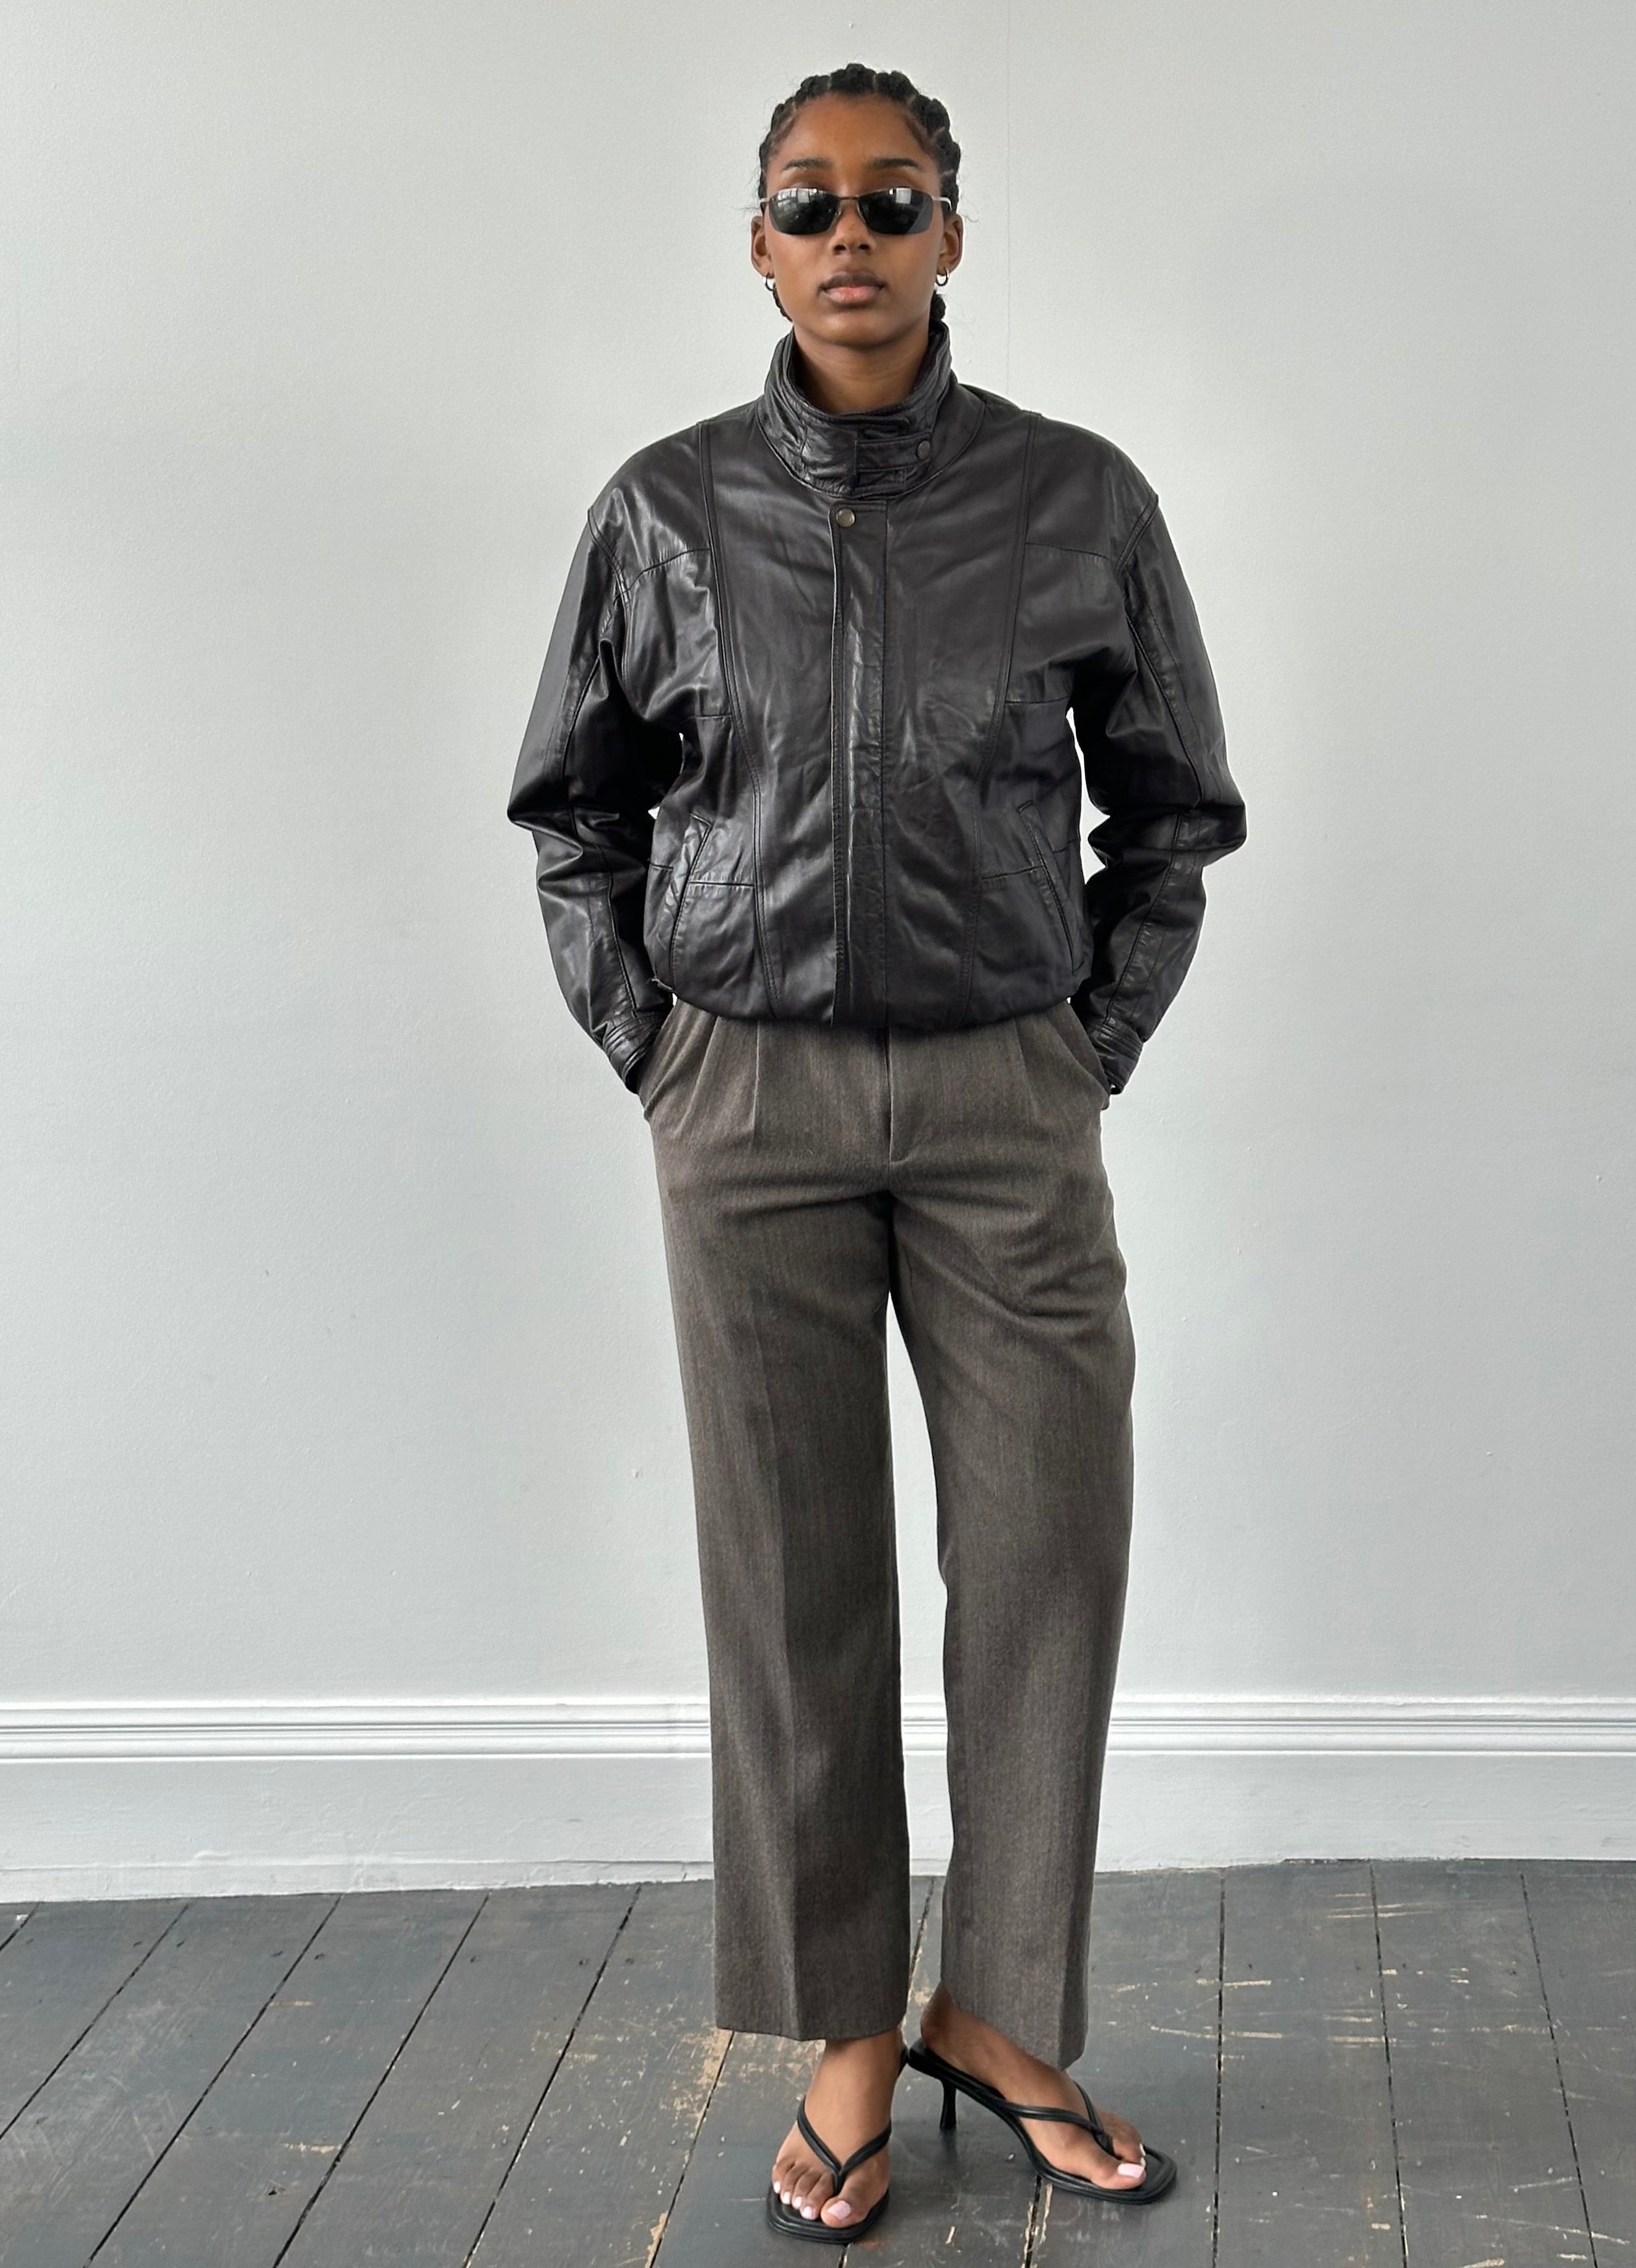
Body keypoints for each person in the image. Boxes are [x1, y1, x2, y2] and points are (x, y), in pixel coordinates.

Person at [507, 59, 1246, 2245]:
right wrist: (657, 1046)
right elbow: (573, 806)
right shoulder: (662, 509)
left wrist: (1087, 1040)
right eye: (809, 202)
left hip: (1008, 1091)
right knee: (789, 1575)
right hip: (744, 1097)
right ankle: (844, 2027)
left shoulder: (1075, 499)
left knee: (1046, 1550)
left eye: (891, 199)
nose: (851, 235)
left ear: (950, 233)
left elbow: (1173, 808)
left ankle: (995, 2011)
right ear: (756, 242)